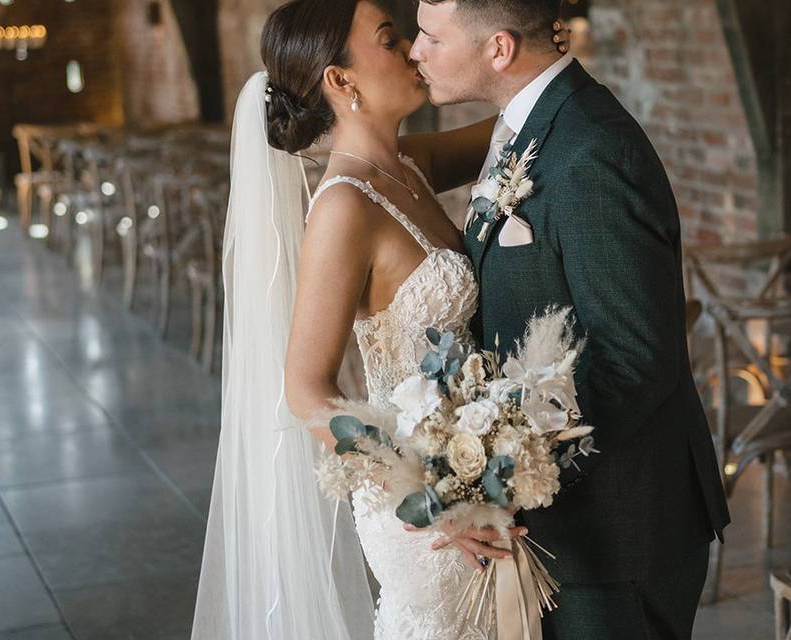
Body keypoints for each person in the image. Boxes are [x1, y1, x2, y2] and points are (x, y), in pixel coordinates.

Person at [191, 1, 567, 638]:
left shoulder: (405, 165)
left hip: (470, 471)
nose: (414, 52)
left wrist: (535, 46)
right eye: (392, 40)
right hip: (419, 508)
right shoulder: (342, 208)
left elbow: (520, 118)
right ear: (342, 80)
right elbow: (306, 391)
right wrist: (433, 498)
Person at [407, 1, 731, 638]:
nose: (417, 52)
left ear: (498, 50)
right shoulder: (527, 124)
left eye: (430, 36)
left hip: (617, 527)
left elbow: (634, 354)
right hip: (569, 526)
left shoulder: (591, 150)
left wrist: (500, 476)